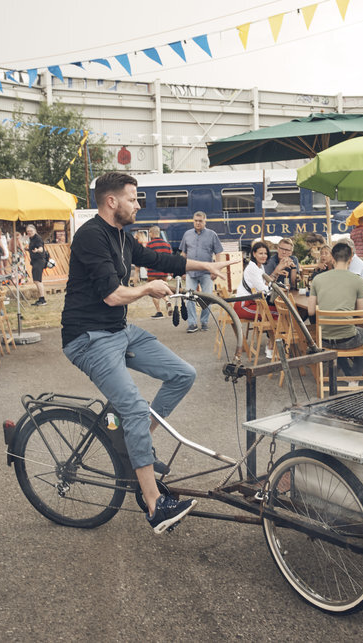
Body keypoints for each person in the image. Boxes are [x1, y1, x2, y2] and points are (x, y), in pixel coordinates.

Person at [60, 171, 234, 533]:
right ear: (112, 202)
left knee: (183, 374)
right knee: (135, 408)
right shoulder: (91, 236)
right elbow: (111, 294)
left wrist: (206, 266)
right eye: (133, 198)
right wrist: (145, 290)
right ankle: (155, 505)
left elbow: (166, 261)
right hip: (88, 338)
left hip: (119, 331)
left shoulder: (122, 237)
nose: (139, 205)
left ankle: (137, 438)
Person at [306, 241, 363, 377]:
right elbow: (361, 314)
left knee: (338, 335)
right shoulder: (358, 281)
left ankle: (348, 373)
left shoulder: (318, 279)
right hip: (348, 339)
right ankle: (354, 376)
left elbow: (310, 311)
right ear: (351, 259)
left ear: (332, 259)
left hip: (323, 338)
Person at [179, 211, 224, 333]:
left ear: (205, 221)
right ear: (193, 221)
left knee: (207, 298)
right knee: (189, 298)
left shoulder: (212, 235)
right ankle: (192, 323)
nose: (198, 223)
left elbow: (218, 252)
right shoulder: (187, 234)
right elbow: (183, 253)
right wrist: (181, 269)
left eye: (200, 221)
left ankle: (204, 322)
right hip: (190, 272)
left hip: (206, 273)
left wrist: (216, 269)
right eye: (195, 220)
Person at [233, 241, 278, 323]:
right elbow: (263, 289)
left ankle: (275, 333)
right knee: (278, 312)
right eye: (260, 253)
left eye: (265, 253)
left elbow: (264, 285)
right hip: (243, 306)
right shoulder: (253, 268)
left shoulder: (260, 267)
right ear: (254, 254)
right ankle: (277, 334)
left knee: (278, 310)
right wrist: (277, 288)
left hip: (251, 303)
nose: (264, 256)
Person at [144, 225, 173, 318]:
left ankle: (159, 312)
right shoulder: (167, 245)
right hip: (163, 272)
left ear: (152, 233)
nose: (149, 234)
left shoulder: (149, 245)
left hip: (152, 272)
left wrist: (146, 267)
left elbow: (146, 258)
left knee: (154, 292)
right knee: (163, 289)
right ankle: (167, 301)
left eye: (149, 232)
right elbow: (170, 259)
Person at [25, 224, 48, 306]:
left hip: (39, 261)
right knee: (37, 280)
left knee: (37, 280)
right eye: (28, 231)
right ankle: (41, 298)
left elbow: (41, 248)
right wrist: (28, 249)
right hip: (35, 261)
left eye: (31, 231)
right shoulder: (31, 238)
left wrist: (37, 250)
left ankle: (42, 299)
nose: (29, 232)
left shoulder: (37, 238)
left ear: (35, 231)